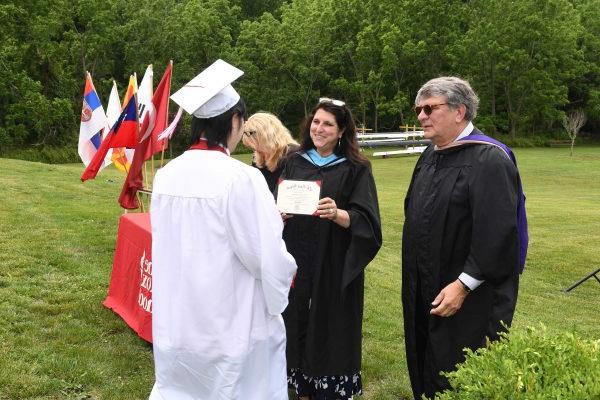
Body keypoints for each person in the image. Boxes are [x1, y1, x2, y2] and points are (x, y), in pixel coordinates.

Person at [148, 60, 297, 400]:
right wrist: (286, 274)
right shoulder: (240, 178)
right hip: (231, 326)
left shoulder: (167, 175)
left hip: (179, 323)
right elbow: (265, 256)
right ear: (233, 121)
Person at [402, 77, 525, 399]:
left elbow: (498, 233)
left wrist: (463, 284)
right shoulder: (430, 155)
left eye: (430, 108)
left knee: (459, 372)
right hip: (426, 286)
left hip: (468, 296)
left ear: (460, 111)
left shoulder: (489, 159)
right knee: (426, 363)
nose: (421, 116)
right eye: (419, 109)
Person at [279, 98, 382, 400]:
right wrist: (278, 213)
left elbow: (368, 222)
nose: (319, 129)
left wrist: (338, 214)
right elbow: (275, 202)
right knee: (295, 316)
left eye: (328, 124)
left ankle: (328, 385)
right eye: (316, 122)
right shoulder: (294, 160)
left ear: (341, 131)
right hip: (297, 256)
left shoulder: (356, 168)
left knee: (330, 320)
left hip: (333, 259)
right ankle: (299, 384)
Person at [242, 112, 300, 192]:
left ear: (267, 137)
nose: (255, 151)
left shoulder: (295, 155)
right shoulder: (258, 157)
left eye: (256, 147)